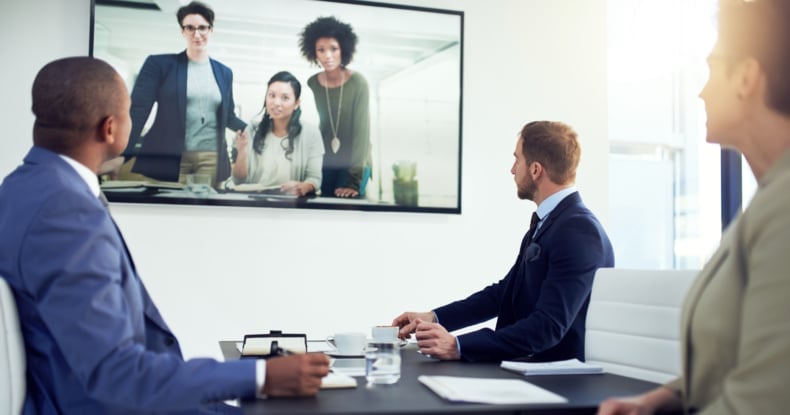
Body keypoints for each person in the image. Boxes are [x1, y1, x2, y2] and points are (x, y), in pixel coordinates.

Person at [0, 56, 329, 414]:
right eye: (130, 112)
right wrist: (262, 375)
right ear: (111, 129)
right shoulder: (64, 210)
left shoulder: (23, 187)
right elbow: (117, 374)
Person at [598, 1, 790, 414]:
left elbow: (766, 401)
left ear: (746, 77)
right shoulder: (768, 200)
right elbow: (744, 354)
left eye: (711, 67)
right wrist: (664, 399)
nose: (701, 91)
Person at [392, 121, 614, 362]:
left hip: (556, 381)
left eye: (517, 160)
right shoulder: (551, 222)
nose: (512, 169)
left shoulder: (578, 231)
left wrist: (458, 346)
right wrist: (433, 317)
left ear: (535, 170)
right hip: (527, 367)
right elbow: (504, 293)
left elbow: (548, 326)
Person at [120, 1, 246, 187]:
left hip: (211, 156)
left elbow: (228, 116)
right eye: (190, 28)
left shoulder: (224, 72)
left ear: (211, 30)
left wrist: (256, 129)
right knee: (168, 211)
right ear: (182, 31)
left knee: (204, 212)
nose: (197, 34)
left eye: (202, 28)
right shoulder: (160, 65)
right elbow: (138, 110)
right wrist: (122, 153)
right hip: (170, 156)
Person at [299, 16, 372, 198]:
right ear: (314, 53)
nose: (328, 55)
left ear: (343, 50)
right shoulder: (312, 83)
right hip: (327, 161)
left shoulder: (358, 82)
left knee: (347, 206)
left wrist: (353, 181)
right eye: (321, 50)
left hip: (356, 162)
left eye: (334, 49)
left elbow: (362, 134)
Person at [230, 71, 323, 196]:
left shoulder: (311, 134)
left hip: (292, 204)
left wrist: (302, 187)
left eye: (285, 98)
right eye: (272, 95)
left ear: (296, 104)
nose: (276, 102)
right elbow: (238, 180)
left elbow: (315, 179)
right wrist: (242, 152)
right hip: (255, 203)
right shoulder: (252, 130)